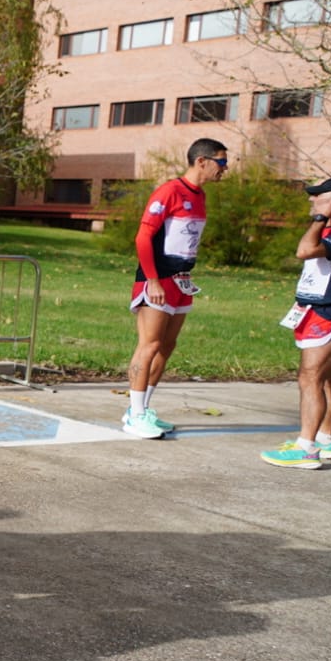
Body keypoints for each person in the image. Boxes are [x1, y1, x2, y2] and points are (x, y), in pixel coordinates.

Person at [122, 138, 229, 439]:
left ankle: (143, 409)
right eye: (222, 163)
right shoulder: (169, 191)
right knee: (150, 345)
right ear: (201, 161)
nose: (225, 169)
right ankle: (134, 414)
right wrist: (153, 280)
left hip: (182, 280)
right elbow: (143, 238)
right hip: (156, 280)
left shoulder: (200, 196)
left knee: (167, 347)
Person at [260, 179, 331, 468]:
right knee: (327, 379)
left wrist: (321, 217)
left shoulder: (327, 230)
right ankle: (326, 437)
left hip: (326, 313)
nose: (311, 202)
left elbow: (304, 250)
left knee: (310, 377)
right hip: (317, 309)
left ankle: (306, 447)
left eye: (318, 198)